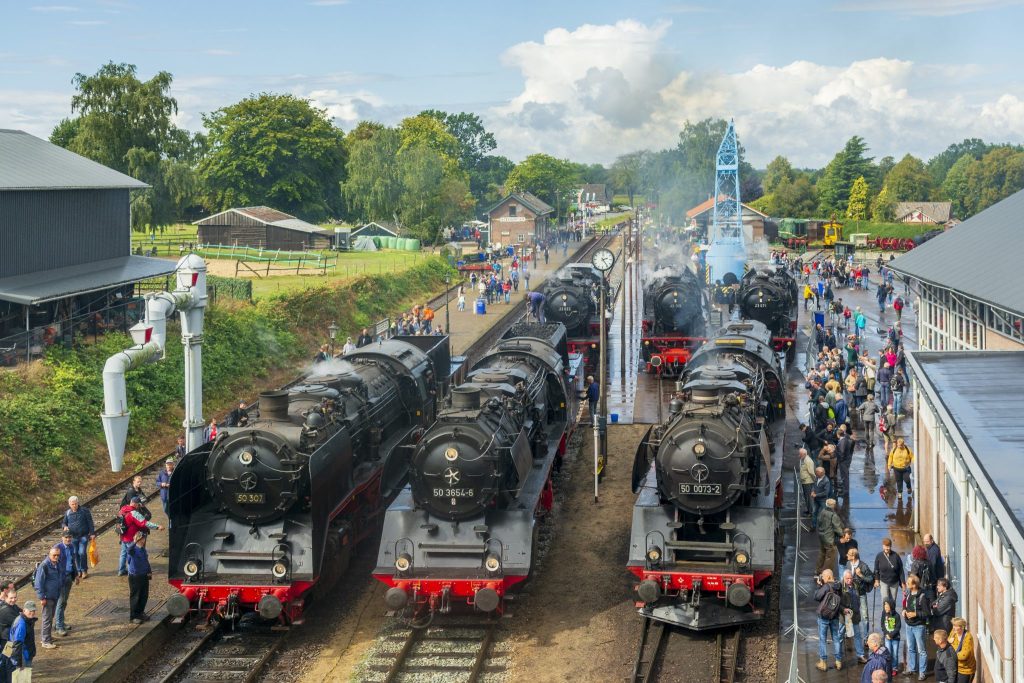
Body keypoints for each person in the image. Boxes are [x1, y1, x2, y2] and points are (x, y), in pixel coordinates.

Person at [117, 498, 162, 577]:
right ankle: (132, 573)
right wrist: (157, 527)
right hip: (132, 538)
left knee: (123, 554)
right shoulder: (133, 513)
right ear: (135, 504)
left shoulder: (122, 509)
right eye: (138, 504)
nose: (139, 506)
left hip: (123, 536)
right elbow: (144, 523)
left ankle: (121, 570)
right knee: (133, 556)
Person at [814, 569, 845, 671]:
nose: (822, 578)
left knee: (822, 639)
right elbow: (841, 600)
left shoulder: (826, 586)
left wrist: (819, 586)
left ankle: (823, 663)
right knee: (836, 638)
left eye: (823, 576)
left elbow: (817, 597)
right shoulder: (839, 585)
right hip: (835, 616)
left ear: (827, 577)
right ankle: (838, 662)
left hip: (824, 616)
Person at [32, 547, 62, 649]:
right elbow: (38, 583)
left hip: (55, 595)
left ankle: (47, 636)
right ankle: (45, 640)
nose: (56, 557)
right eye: (54, 555)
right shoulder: (44, 565)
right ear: (49, 554)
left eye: (58, 555)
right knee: (47, 618)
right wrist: (42, 597)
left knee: (50, 617)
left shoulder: (56, 563)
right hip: (48, 596)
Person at [902, 575, 930, 680]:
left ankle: (922, 672)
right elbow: (906, 605)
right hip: (908, 625)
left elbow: (927, 613)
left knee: (921, 650)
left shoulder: (922, 597)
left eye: (908, 582)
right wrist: (904, 610)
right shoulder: (909, 594)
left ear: (914, 584)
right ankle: (912, 668)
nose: (907, 583)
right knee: (911, 648)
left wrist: (916, 614)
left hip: (918, 626)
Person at [53, 531, 80, 637]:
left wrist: (76, 575)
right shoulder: (57, 548)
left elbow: (73, 561)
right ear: (62, 538)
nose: (68, 539)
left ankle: (60, 622)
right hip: (61, 579)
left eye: (70, 537)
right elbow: (53, 564)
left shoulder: (71, 547)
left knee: (64, 601)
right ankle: (59, 626)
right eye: (66, 537)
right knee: (60, 602)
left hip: (69, 576)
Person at [61, 497, 94, 580]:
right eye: (72, 504)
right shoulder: (68, 513)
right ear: (69, 504)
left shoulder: (84, 511)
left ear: (78, 503)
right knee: (75, 553)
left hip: (83, 536)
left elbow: (90, 522)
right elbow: (64, 523)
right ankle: (78, 570)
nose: (74, 505)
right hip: (73, 537)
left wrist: (92, 533)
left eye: (75, 503)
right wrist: (64, 526)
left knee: (82, 552)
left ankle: (84, 570)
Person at [5, 600, 37, 683]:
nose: (32, 612)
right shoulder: (22, 624)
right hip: (23, 656)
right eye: (30, 611)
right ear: (24, 610)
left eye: (33, 610)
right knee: (23, 679)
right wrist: (19, 664)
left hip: (23, 653)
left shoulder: (26, 620)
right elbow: (17, 645)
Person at [125, 532, 152, 624]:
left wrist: (149, 571)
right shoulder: (133, 550)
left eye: (144, 539)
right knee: (135, 596)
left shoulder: (143, 550)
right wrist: (135, 541)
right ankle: (133, 616)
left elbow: (146, 561)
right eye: (141, 539)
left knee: (144, 595)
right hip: (135, 576)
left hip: (144, 575)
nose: (143, 541)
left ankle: (140, 612)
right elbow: (128, 550)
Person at [842, 570, 866, 662]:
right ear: (844, 578)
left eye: (850, 578)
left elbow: (862, 592)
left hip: (855, 614)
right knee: (840, 635)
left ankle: (860, 655)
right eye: (847, 578)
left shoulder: (855, 585)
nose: (849, 580)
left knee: (857, 634)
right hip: (845, 615)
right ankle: (838, 657)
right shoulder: (841, 587)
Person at [873, 538, 905, 603]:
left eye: (888, 546)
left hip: (894, 582)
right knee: (885, 601)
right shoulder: (879, 556)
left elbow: (901, 570)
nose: (887, 548)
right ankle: (885, 613)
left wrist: (903, 582)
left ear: (891, 546)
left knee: (893, 601)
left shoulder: (896, 556)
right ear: (883, 546)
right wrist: (876, 580)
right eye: (885, 546)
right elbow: (876, 569)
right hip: (883, 581)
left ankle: (892, 613)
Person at [816, 499, 844, 575]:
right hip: (830, 539)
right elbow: (837, 528)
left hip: (822, 536)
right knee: (830, 557)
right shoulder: (833, 515)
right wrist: (842, 535)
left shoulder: (822, 511)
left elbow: (818, 521)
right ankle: (826, 573)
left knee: (822, 554)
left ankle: (818, 570)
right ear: (834, 506)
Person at [949, 618, 976, 683]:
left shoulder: (968, 638)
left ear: (962, 627)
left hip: (966, 670)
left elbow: (963, 656)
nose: (954, 628)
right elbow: (948, 640)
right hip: (955, 667)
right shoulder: (954, 632)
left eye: (956, 626)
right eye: (953, 625)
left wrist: (950, 648)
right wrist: (949, 642)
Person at [880, 598, 902, 678]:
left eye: (887, 606)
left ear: (891, 606)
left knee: (895, 654)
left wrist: (891, 635)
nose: (885, 607)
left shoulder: (897, 616)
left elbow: (898, 627)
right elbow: (882, 624)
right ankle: (888, 667)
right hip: (887, 637)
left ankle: (894, 668)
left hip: (895, 638)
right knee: (888, 653)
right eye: (884, 605)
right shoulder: (884, 613)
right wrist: (886, 633)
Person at [798, 448, 816, 517]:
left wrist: (815, 480)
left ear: (804, 454)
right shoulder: (804, 459)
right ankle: (809, 510)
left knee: (809, 498)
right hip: (805, 481)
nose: (799, 455)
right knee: (806, 497)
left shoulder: (808, 461)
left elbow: (811, 472)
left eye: (800, 454)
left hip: (808, 482)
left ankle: (811, 512)